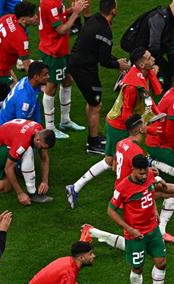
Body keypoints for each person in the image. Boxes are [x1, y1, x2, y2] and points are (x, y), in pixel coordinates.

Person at [65, 47, 161, 205]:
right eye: (150, 58)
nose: (153, 60)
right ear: (142, 65)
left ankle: (76, 187)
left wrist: (158, 116)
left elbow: (147, 100)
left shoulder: (142, 74)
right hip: (120, 126)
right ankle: (79, 188)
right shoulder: (132, 87)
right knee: (114, 161)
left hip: (120, 123)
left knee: (114, 161)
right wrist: (144, 128)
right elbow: (126, 116)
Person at [107, 154, 174, 284]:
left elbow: (150, 191)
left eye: (145, 172)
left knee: (161, 262)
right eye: (140, 173)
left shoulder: (150, 174)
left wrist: (155, 210)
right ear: (132, 170)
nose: (144, 176)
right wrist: (129, 229)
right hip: (135, 235)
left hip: (152, 230)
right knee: (137, 268)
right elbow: (110, 211)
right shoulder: (122, 188)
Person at [68, 0, 130, 153]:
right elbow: (104, 60)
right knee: (96, 105)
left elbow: (102, 55)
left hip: (79, 64)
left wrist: (115, 61)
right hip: (84, 69)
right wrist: (119, 65)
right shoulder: (104, 30)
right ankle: (93, 144)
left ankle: (94, 137)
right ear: (113, 11)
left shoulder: (95, 19)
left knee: (92, 102)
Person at [113, 115, 174, 242]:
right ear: (140, 129)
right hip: (131, 194)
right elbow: (144, 182)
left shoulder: (120, 143)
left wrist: (149, 170)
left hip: (119, 190)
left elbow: (114, 166)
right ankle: (161, 231)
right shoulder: (137, 151)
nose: (147, 126)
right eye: (144, 125)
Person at [38, 0, 87, 138]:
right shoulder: (50, 2)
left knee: (67, 80)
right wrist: (76, 13)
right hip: (54, 51)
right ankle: (50, 127)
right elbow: (61, 29)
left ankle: (65, 121)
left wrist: (72, 10)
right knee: (51, 86)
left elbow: (60, 15)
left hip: (60, 49)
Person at [125, 0, 174, 88]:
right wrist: (155, 64)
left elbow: (170, 48)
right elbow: (154, 47)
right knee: (165, 83)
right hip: (143, 54)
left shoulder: (171, 19)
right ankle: (129, 71)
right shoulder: (158, 19)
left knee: (171, 77)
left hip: (151, 52)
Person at [0, 1, 39, 87]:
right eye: (32, 16)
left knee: (15, 84)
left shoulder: (7, 17)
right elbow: (27, 66)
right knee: (15, 96)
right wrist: (38, 84)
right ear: (23, 19)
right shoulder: (21, 38)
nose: (36, 17)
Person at [0, 61, 49, 130]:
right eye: (45, 75)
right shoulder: (24, 99)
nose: (48, 76)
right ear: (36, 77)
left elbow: (36, 106)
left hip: (8, 124)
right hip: (4, 132)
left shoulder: (29, 81)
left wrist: (38, 126)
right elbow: (21, 127)